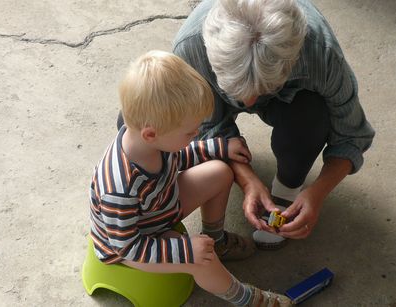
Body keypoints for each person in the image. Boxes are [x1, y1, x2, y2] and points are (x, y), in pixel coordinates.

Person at [92, 50, 293, 306]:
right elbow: (128, 247)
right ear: (152, 134)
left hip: (159, 208)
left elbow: (180, 156)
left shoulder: (152, 142)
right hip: (134, 243)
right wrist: (186, 250)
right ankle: (247, 298)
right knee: (201, 260)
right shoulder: (119, 189)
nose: (197, 133)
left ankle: (216, 240)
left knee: (220, 171)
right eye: (190, 132)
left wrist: (218, 148)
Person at [171, 0, 375, 248]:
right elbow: (205, 129)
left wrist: (318, 192)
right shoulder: (189, 48)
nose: (248, 102)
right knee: (167, 121)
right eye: (237, 93)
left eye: (264, 89)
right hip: (204, 86)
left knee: (312, 114)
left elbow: (352, 134)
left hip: (295, 100)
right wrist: (247, 179)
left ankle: (287, 190)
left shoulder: (319, 51)